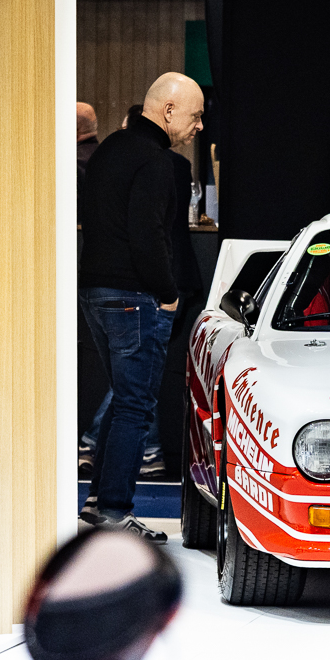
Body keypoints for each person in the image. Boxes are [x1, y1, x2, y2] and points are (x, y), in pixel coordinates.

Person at [77, 71, 204, 542]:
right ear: (168, 110)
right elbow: (149, 235)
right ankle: (114, 510)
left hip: (94, 291)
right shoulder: (155, 160)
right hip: (134, 297)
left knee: (122, 399)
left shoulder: (111, 147)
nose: (199, 126)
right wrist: (168, 293)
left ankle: (99, 502)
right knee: (135, 406)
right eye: (195, 115)